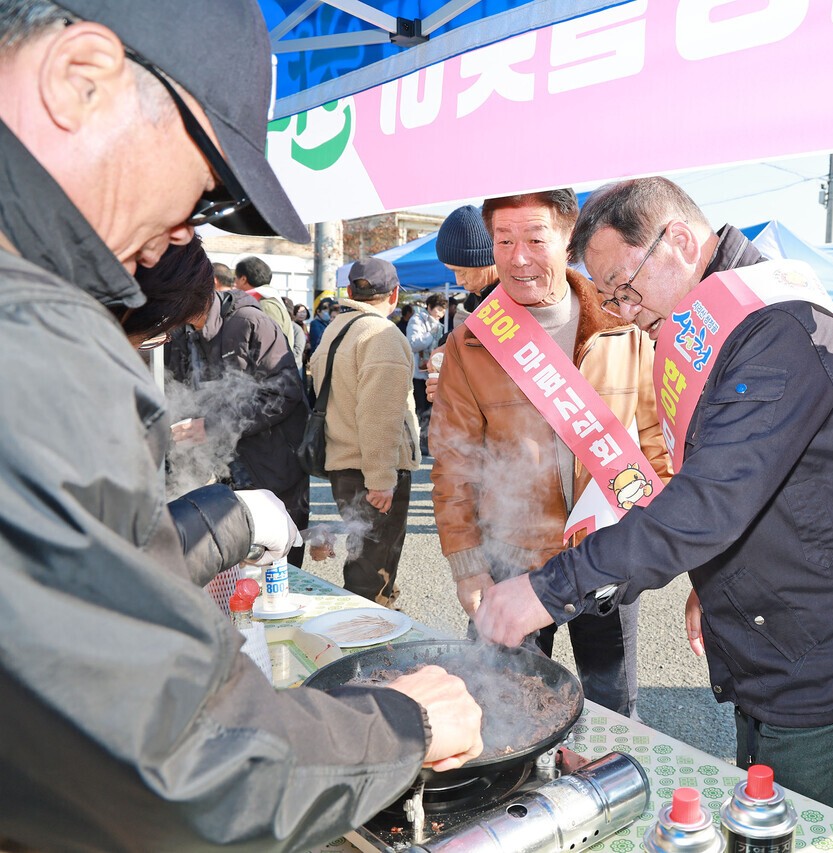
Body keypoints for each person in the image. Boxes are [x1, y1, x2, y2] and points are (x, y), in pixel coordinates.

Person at [0, 3, 481, 849]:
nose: (184, 231)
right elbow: (174, 759)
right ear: (80, 78)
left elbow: (47, 584)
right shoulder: (34, 335)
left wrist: (222, 515)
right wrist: (397, 724)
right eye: (210, 188)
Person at [473, 177, 833, 819]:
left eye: (625, 287)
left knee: (790, 828)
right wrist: (715, 578)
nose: (624, 311)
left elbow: (711, 500)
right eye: (610, 297)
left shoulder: (776, 326)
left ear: (680, 242)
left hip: (831, 650)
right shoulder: (714, 318)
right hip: (781, 631)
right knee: (760, 810)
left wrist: (547, 590)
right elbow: (727, 478)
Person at [430, 189, 672, 718]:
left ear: (568, 239)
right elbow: (454, 463)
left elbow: (656, 445)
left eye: (536, 240)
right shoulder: (471, 343)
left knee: (611, 710)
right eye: (504, 241)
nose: (519, 257)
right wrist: (467, 566)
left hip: (605, 555)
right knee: (503, 711)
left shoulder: (623, 328)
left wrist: (659, 542)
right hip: (511, 557)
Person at [166, 254, 312, 568]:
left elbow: (284, 392)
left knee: (277, 564)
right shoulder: (179, 335)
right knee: (232, 567)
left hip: (271, 464)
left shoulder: (249, 322)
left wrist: (213, 426)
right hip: (221, 470)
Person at [311, 257, 420, 607]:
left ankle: (373, 618)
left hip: (344, 460)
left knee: (365, 555)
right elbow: (379, 413)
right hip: (369, 466)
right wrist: (381, 478)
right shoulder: (381, 335)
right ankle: (368, 629)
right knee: (372, 565)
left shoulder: (336, 328)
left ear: (349, 290)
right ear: (395, 294)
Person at [436, 203, 500, 327]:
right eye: (453, 271)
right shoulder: (472, 301)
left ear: (486, 261)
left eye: (462, 271)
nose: (459, 281)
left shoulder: (522, 301)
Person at [406, 292, 448, 454]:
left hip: (435, 372)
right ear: (429, 307)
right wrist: (431, 334)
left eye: (443, 310)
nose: (441, 314)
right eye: (438, 309)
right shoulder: (417, 320)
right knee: (421, 409)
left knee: (432, 409)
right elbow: (413, 344)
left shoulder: (439, 324)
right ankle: (420, 443)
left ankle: (429, 441)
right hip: (419, 373)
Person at [234, 254, 290, 338]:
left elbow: (270, 340)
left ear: (243, 279)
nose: (235, 284)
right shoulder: (266, 299)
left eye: (235, 278)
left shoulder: (266, 305)